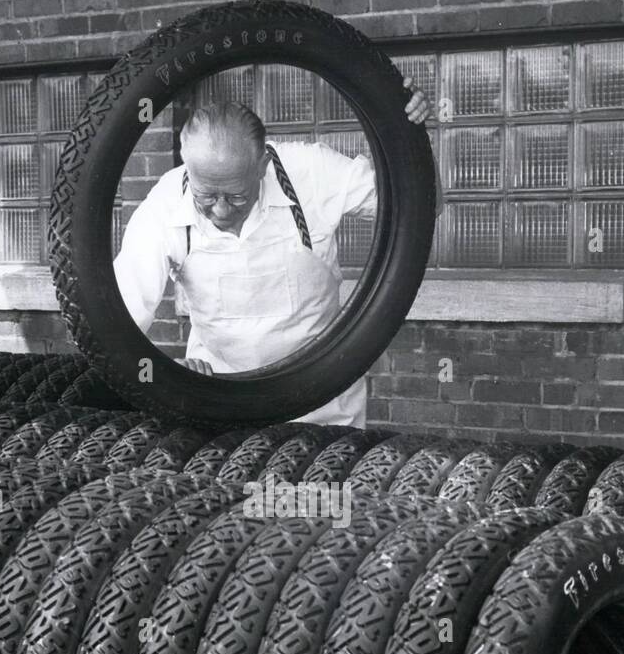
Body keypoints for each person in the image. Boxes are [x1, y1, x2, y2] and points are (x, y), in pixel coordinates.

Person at [113, 79, 432, 427]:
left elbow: (422, 204)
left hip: (324, 398)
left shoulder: (313, 171)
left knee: (326, 483)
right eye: (206, 197)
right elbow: (118, 316)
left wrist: (411, 135)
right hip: (218, 394)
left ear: (262, 166)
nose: (220, 211)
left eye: (236, 196)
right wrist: (170, 378)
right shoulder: (165, 203)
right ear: (187, 168)